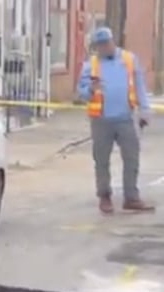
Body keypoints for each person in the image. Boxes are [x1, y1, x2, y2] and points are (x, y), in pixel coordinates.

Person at [76, 27, 154, 214]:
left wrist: (144, 109)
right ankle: (104, 196)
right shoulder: (91, 65)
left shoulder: (128, 60)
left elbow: (139, 85)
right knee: (101, 160)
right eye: (100, 45)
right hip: (101, 120)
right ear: (96, 47)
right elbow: (81, 92)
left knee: (131, 158)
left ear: (113, 41)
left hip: (126, 118)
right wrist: (90, 90)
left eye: (107, 43)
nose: (105, 48)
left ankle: (131, 197)